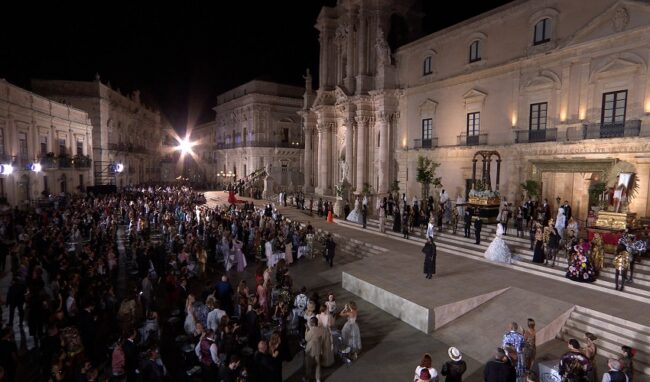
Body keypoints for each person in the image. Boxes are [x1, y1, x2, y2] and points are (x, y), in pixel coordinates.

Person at [304, 317, 324, 382]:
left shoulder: (311, 330)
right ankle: (318, 378)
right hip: (318, 348)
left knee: (308, 365)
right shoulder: (320, 329)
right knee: (317, 364)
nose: (309, 322)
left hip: (311, 349)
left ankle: (308, 378)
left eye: (310, 322)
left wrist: (306, 329)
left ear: (313, 323)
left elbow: (306, 338)